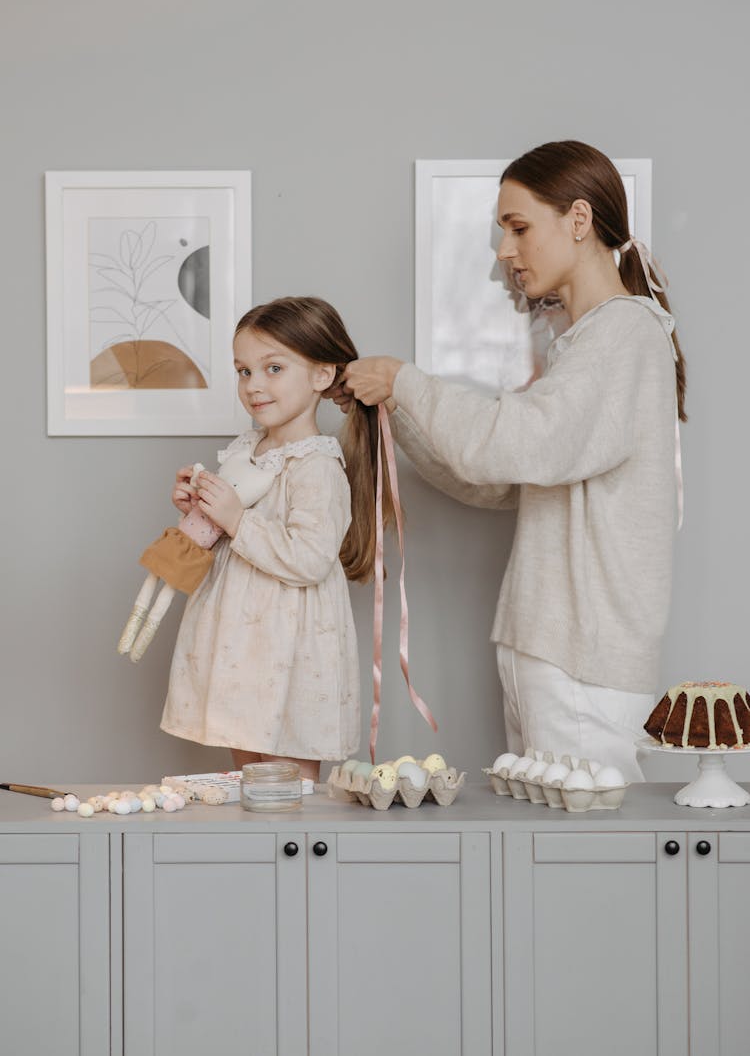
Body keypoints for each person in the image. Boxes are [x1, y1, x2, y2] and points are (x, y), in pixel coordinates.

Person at [336, 140, 687, 782]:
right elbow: (498, 477)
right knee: (552, 860)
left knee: (586, 865)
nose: (504, 250)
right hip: (553, 653)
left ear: (578, 221)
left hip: (582, 662)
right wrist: (397, 409)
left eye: (518, 227)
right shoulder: (585, 344)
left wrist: (405, 381)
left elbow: (520, 442)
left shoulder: (625, 335)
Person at [161, 296, 393, 782]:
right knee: (248, 781)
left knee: (289, 792)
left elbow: (309, 558)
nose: (254, 386)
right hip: (241, 643)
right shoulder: (249, 448)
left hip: (289, 649)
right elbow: (233, 532)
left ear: (321, 375)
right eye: (244, 371)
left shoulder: (316, 466)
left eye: (272, 368)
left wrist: (237, 521)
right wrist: (203, 512)